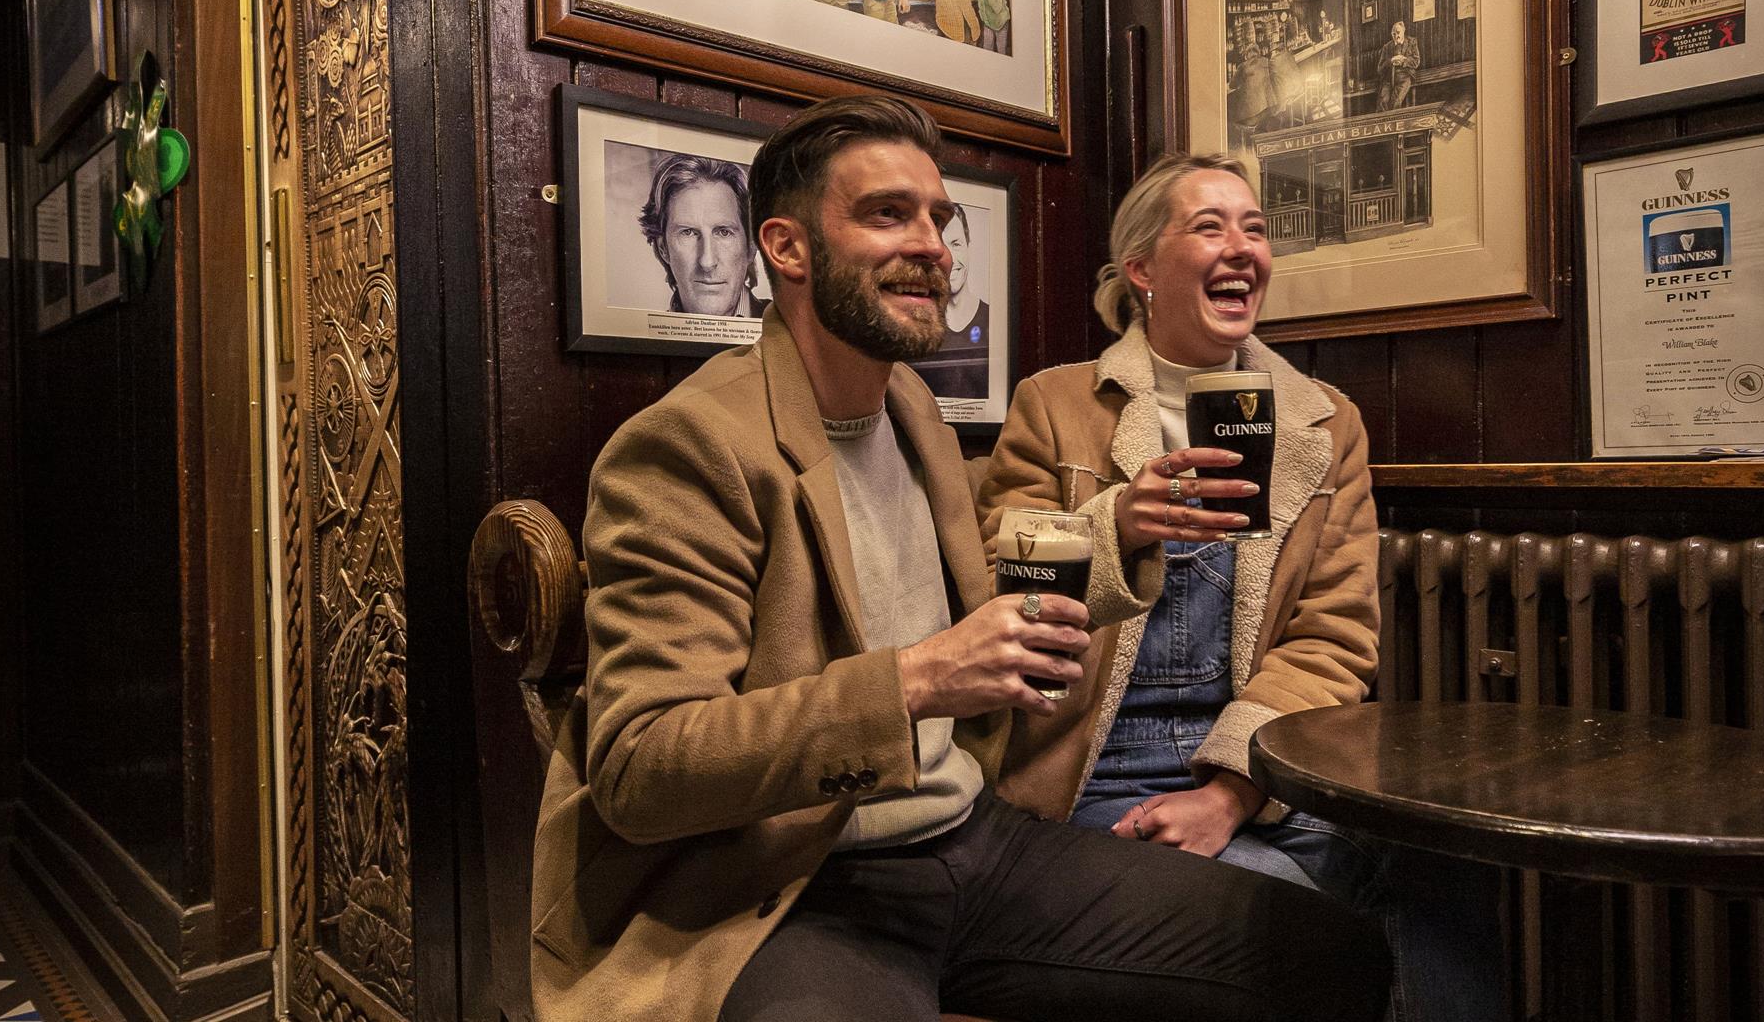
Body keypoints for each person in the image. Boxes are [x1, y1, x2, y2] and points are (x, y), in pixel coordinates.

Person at [531, 98, 1390, 1022]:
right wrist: (912, 680)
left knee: (1330, 953)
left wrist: (1119, 540)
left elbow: (1009, 597)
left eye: (939, 219)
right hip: (797, 882)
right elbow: (639, 768)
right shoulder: (689, 444)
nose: (934, 244)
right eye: (887, 214)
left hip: (972, 836)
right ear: (785, 249)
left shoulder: (916, 414)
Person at [976, 151, 1504, 1022]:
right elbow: (1003, 575)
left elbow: (1333, 637)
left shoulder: (1323, 422)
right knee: (1295, 917)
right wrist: (1120, 521)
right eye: (1210, 226)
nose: (1241, 247)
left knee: (1446, 866)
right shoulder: (1058, 402)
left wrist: (1231, 792)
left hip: (1266, 759)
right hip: (1096, 767)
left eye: (1254, 229)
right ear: (1142, 268)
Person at [637, 154, 766, 318]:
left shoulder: (793, 332)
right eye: (688, 232)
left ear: (750, 247)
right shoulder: (636, 341)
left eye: (723, 232)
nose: (707, 262)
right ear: (663, 248)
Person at [909, 210, 990, 400]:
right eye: (943, 246)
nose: (950, 258)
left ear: (969, 247)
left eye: (956, 244)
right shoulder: (915, 325)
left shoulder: (994, 322)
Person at [1377, 20, 1421, 111]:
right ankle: (1385, 124)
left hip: (1405, 76)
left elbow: (1416, 61)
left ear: (1404, 30)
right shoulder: (1387, 47)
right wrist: (1391, 60)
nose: (1396, 36)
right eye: (1393, 34)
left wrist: (1403, 60)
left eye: (1398, 32)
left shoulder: (1412, 42)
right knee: (1382, 102)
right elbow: (1380, 68)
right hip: (1388, 78)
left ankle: (1396, 123)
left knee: (1395, 102)